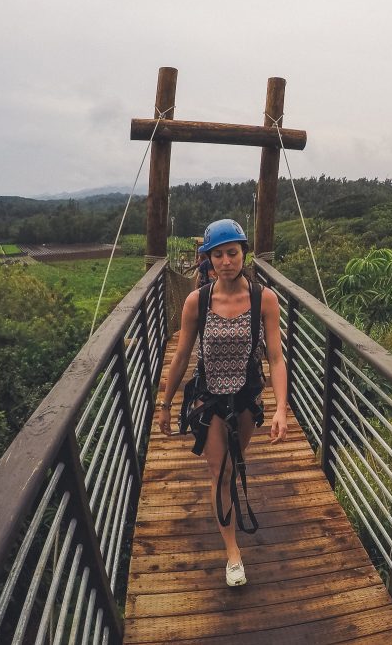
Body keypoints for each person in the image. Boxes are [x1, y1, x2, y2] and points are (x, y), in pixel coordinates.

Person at [156, 218, 288, 587]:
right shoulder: (198, 300)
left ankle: (226, 512)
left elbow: (276, 358)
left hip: (246, 396)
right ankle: (233, 553)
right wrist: (164, 404)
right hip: (210, 397)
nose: (226, 260)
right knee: (221, 472)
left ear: (244, 254)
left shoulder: (265, 299)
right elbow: (181, 355)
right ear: (209, 259)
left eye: (233, 252)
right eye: (219, 254)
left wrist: (280, 408)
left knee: (235, 460)